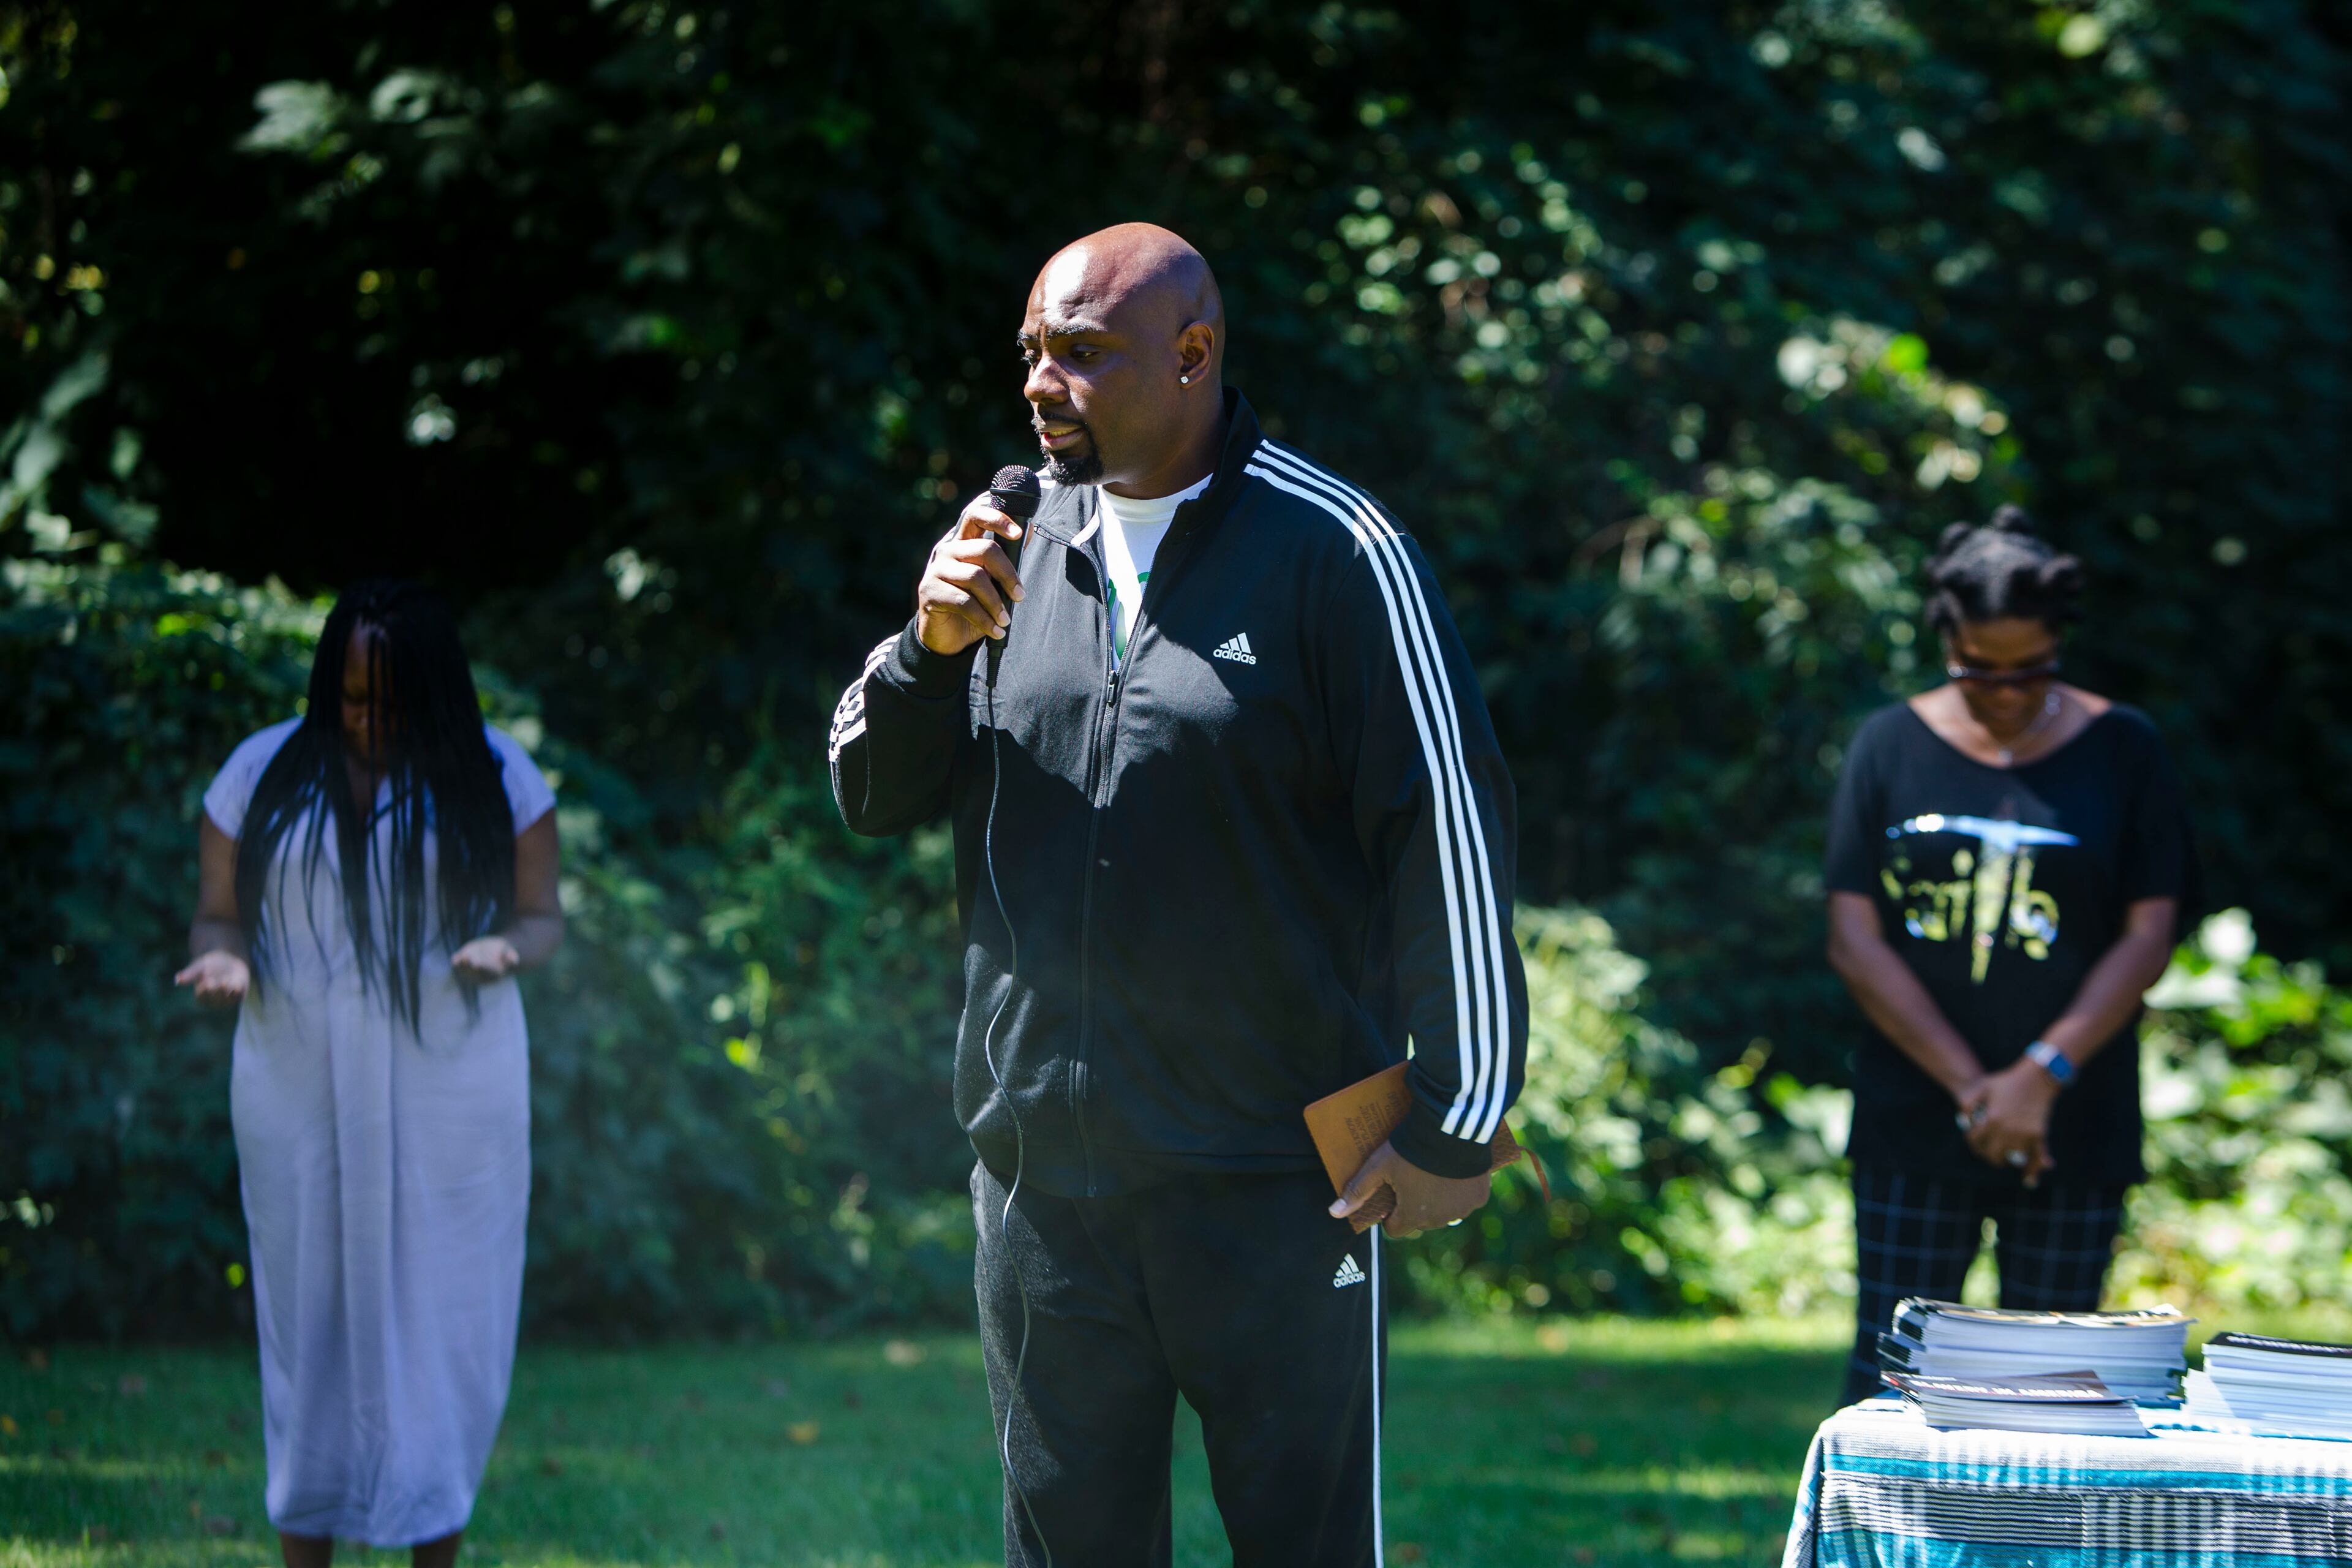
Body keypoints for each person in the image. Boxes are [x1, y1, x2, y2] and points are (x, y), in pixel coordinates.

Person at [827, 223, 1527, 1564]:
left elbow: (1448, 832)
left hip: (1278, 1192)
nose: (1041, 382)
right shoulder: (1004, 542)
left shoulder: (1339, 549)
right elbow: (867, 788)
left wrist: (1459, 1113)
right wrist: (925, 649)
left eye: (1081, 353)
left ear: (1193, 354)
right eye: (1032, 351)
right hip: (1044, 1198)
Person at [174, 579, 562, 1568]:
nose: (367, 720)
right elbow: (219, 913)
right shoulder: (259, 775)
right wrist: (225, 956)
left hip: (453, 1086)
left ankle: (436, 1550)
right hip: (295, 1081)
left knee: (448, 1316)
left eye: (390, 703)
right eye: (350, 698)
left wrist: (508, 950)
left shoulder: (497, 777)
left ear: (435, 694)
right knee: (309, 1320)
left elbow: (541, 914)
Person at [1823, 507, 2197, 1405]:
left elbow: (2152, 929)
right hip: (1916, 1114)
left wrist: (2042, 1074)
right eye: (1978, 672)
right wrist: (1973, 1089)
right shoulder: (1888, 745)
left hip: (2077, 1118)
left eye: (2030, 672)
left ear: (2061, 641)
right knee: (1894, 1377)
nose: (2004, 692)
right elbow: (1853, 935)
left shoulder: (2125, 749)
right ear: (1946, 638)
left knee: (2060, 1389)